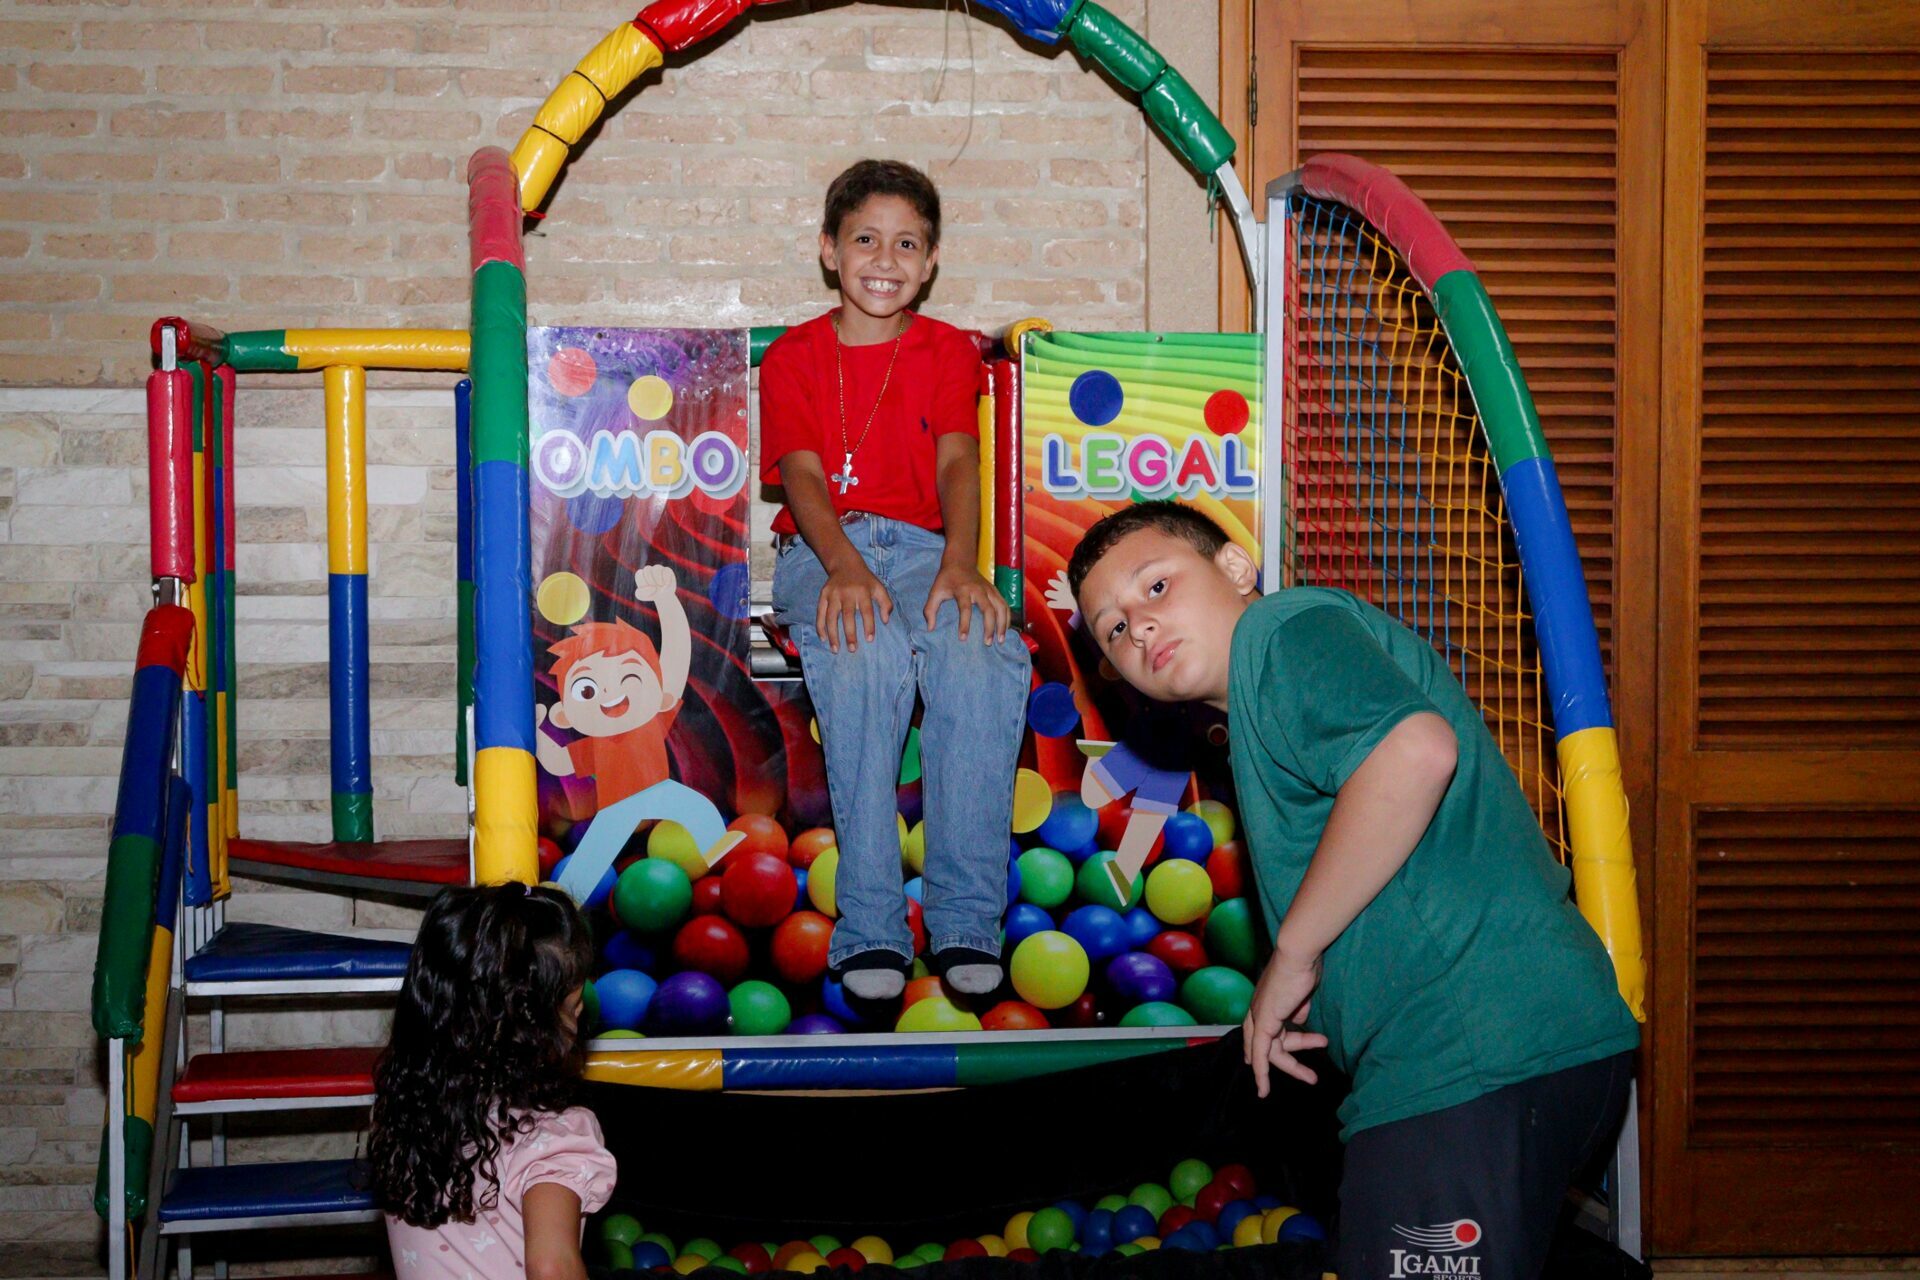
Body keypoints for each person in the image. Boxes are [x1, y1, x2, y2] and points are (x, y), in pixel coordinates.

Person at [1066, 501, 1639, 1280]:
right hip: (1508, 1050)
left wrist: (1293, 956)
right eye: (1113, 630)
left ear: (1234, 567)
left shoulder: (1279, 632)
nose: (1139, 627)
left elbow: (1412, 755)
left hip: (1468, 1055)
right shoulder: (1261, 707)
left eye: (1156, 587)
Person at [760, 158, 1030, 1000]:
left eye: (907, 243)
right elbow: (802, 476)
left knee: (979, 651)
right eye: (866, 240)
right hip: (821, 549)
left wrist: (961, 564)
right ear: (829, 250)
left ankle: (965, 921)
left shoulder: (946, 350)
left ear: (932, 259)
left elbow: (958, 461)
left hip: (923, 550)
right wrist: (842, 566)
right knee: (862, 649)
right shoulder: (794, 356)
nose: (886, 259)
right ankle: (872, 926)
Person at [369, 883, 613, 1280]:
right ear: (531, 1030)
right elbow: (552, 1267)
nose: (579, 1020)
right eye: (573, 1008)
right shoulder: (555, 1138)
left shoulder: (405, 1110)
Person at [537, 565, 743, 906]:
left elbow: (676, 659)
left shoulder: (652, 719)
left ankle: (716, 847)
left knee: (699, 809)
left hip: (657, 791)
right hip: (618, 804)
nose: (610, 694)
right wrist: (538, 733)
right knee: (596, 849)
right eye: (588, 690)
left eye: (628, 677)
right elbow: (559, 762)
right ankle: (569, 893)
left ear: (658, 692)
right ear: (564, 713)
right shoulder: (595, 745)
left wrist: (666, 602)